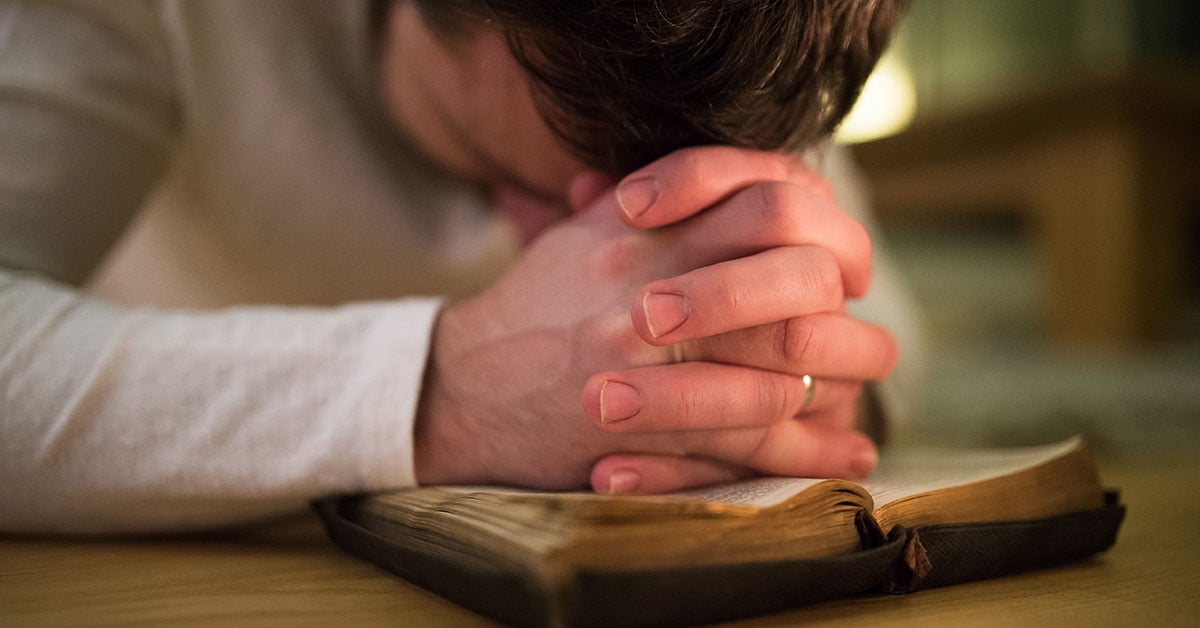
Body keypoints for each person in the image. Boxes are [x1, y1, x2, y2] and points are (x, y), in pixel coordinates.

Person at [0, 0, 922, 533]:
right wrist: (441, 391)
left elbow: (894, 329)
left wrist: (793, 377)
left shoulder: (750, 38)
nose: (595, 248)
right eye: (506, 168)